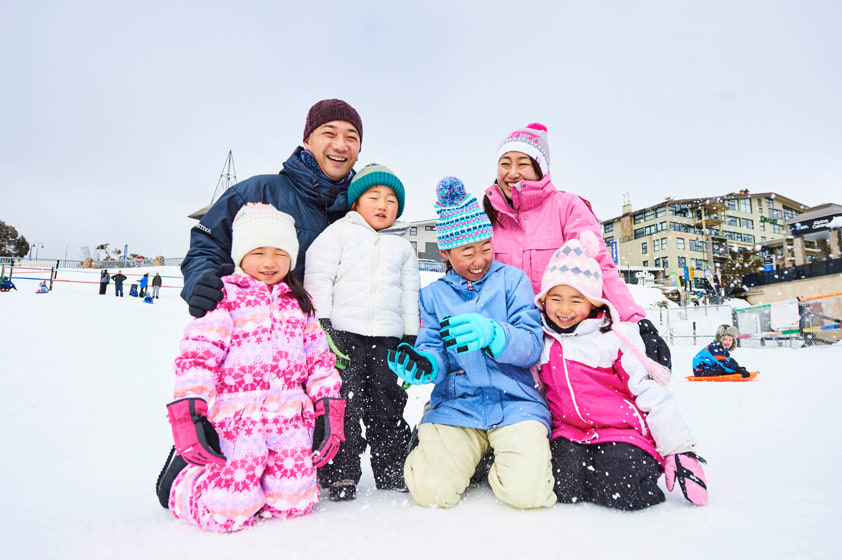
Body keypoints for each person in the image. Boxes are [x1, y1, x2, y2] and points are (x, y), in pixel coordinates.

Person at [155, 203, 345, 533]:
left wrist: (329, 410)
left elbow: (319, 361)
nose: (270, 263)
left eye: (280, 253)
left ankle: (269, 486)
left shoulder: (300, 303)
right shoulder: (225, 296)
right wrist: (191, 413)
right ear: (241, 254)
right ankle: (182, 482)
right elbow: (199, 356)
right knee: (229, 512)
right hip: (238, 419)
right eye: (258, 252)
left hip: (290, 418)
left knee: (296, 502)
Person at [387, 177, 556, 510]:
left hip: (514, 403)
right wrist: (424, 365)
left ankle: (496, 456)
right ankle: (460, 448)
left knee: (528, 494)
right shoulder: (433, 296)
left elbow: (531, 346)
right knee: (430, 493)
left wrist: (495, 334)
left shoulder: (512, 280)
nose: (479, 259)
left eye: (485, 248)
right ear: (447, 251)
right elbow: (433, 349)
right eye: (468, 252)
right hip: (458, 404)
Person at [534, 231, 707, 509]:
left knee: (625, 488)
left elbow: (652, 395)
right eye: (556, 298)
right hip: (570, 433)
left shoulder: (614, 338)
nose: (564, 309)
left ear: (594, 302)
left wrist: (679, 450)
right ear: (543, 300)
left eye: (576, 300)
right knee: (563, 486)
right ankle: (589, 471)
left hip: (620, 431)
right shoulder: (541, 340)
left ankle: (623, 469)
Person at [482, 123, 671, 368]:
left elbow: (600, 266)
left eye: (523, 163)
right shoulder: (487, 215)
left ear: (540, 168)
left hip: (563, 341)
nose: (512, 172)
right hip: (506, 344)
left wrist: (636, 322)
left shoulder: (567, 207)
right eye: (505, 163)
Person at [180, 98, 363, 318]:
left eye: (351, 137)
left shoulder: (363, 211)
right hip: (260, 340)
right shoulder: (256, 192)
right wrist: (201, 281)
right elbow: (207, 247)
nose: (341, 145)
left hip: (338, 347)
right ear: (307, 140)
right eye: (329, 133)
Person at [304, 163, 420, 501]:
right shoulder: (339, 234)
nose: (383, 205)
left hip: (386, 338)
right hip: (343, 336)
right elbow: (318, 278)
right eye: (375, 197)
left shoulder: (402, 248)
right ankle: (340, 473)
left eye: (391, 200)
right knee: (344, 404)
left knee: (388, 402)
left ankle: (391, 468)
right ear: (356, 203)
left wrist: (409, 337)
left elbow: (409, 296)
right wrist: (323, 324)